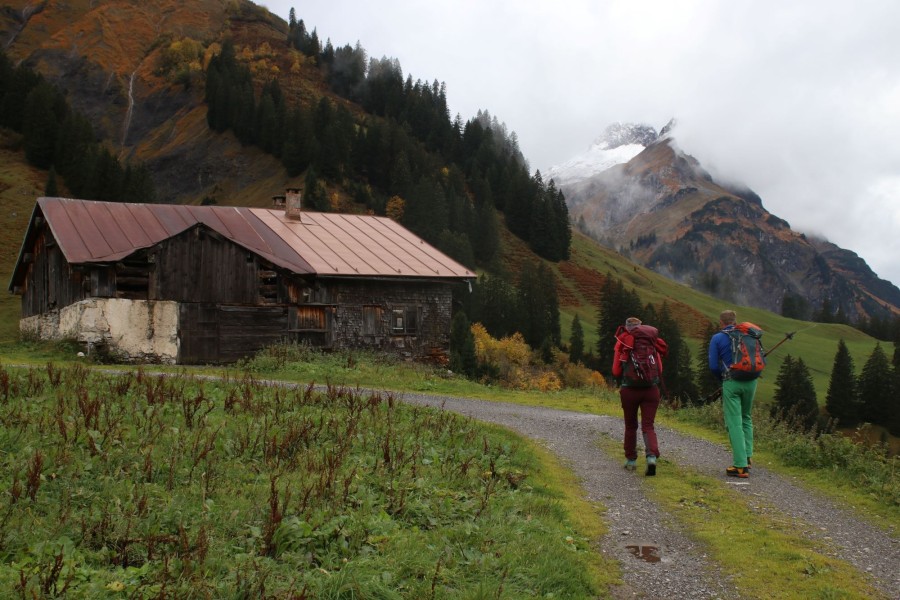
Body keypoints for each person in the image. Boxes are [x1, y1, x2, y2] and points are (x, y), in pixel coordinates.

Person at [612, 317, 668, 476]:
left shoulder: (622, 341)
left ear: (627, 327)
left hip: (629, 390)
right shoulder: (652, 342)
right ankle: (651, 457)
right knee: (648, 425)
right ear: (641, 327)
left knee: (630, 425)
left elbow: (616, 371)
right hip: (651, 390)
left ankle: (631, 460)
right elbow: (660, 369)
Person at [708, 309, 756, 478]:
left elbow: (714, 366)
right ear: (735, 321)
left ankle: (740, 466)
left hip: (731, 382)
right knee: (746, 417)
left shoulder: (718, 338)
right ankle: (748, 457)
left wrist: (721, 378)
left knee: (734, 422)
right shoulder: (748, 334)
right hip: (751, 381)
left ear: (721, 322)